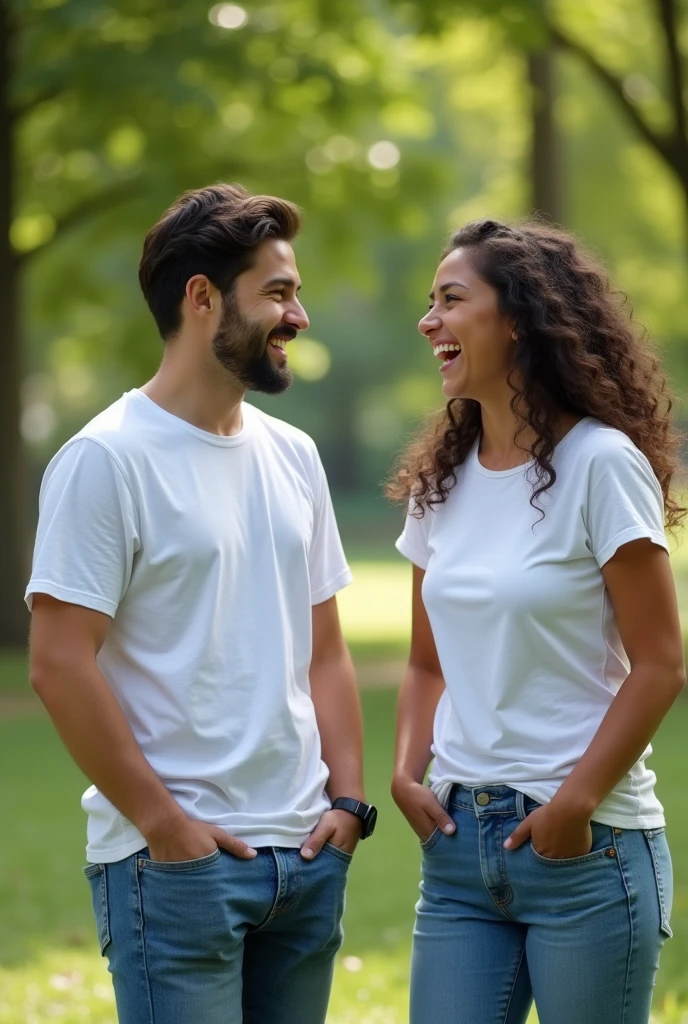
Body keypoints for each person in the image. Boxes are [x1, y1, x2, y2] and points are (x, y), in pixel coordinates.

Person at [25, 183, 377, 1024]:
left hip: (304, 856)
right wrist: (164, 827)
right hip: (172, 867)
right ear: (202, 297)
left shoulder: (294, 456)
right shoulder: (105, 460)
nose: (299, 316)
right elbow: (58, 664)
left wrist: (348, 803)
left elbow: (324, 650)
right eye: (280, 292)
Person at [388, 219, 684, 1024]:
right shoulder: (438, 481)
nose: (429, 322)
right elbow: (425, 662)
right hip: (456, 851)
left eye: (451, 301)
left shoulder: (601, 463)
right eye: (428, 304)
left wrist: (575, 804)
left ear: (517, 317)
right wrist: (406, 774)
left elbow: (662, 663)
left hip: (586, 851)